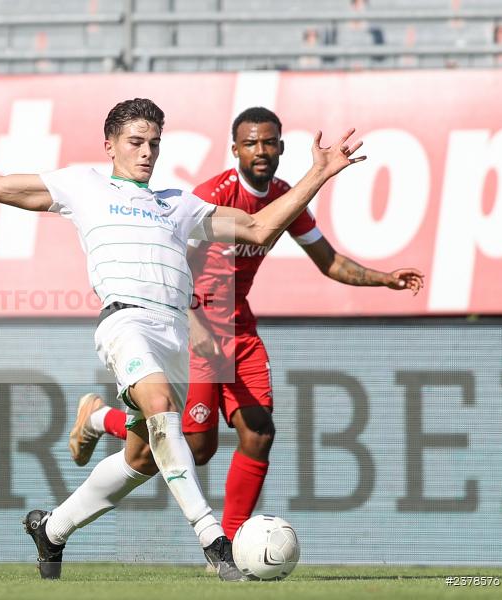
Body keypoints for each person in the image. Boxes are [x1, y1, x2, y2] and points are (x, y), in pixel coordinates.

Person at [0, 98, 364, 580]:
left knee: (142, 458)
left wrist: (319, 173)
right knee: (159, 405)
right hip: (125, 322)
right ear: (109, 144)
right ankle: (214, 540)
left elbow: (257, 227)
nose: (146, 152)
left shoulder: (178, 204)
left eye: (154, 143)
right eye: (135, 142)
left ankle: (52, 529)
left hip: (173, 332)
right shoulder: (83, 185)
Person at [68, 106, 424, 577]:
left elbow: (329, 261)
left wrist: (384, 279)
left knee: (259, 432)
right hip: (195, 322)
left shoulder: (282, 198)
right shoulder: (212, 195)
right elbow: (166, 262)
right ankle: (99, 418)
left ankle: (233, 547)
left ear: (281, 148)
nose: (261, 150)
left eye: (269, 142)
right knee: (196, 447)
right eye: (251, 143)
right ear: (235, 149)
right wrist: (192, 322)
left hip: (240, 329)